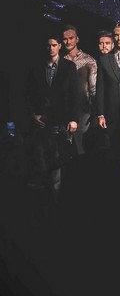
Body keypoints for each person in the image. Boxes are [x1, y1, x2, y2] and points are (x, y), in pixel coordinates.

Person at [27, 34, 80, 190]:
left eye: (54, 45)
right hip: (43, 119)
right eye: (48, 45)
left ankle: (60, 190)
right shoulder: (37, 67)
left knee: (60, 155)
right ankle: (47, 190)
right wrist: (34, 114)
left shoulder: (69, 66)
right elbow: (30, 94)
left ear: (59, 46)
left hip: (62, 119)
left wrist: (74, 119)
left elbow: (74, 95)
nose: (51, 48)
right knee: (41, 154)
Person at [62, 25, 97, 155]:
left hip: (83, 112)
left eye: (71, 38)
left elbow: (93, 89)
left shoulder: (88, 60)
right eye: (65, 39)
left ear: (77, 39)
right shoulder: (61, 60)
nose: (68, 41)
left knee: (81, 150)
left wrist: (94, 113)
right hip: (64, 110)